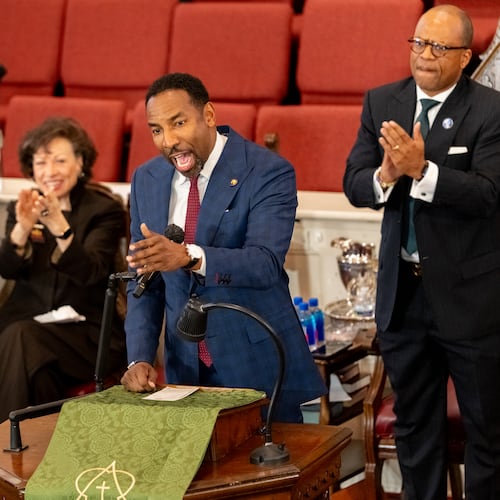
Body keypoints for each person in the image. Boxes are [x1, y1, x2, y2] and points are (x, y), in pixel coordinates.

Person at [344, 5, 500, 499]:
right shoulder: (381, 101)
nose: (424, 56)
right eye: (417, 43)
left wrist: (423, 171)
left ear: (466, 57)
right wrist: (386, 176)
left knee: (487, 435)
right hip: (402, 299)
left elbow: (488, 193)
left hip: (470, 303)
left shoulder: (491, 110)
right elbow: (353, 183)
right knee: (415, 432)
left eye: (438, 47)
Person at [121, 72, 326, 423]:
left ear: (209, 116)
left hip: (258, 366)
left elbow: (264, 263)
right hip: (186, 372)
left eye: (179, 123)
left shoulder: (266, 172)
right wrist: (139, 357)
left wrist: (188, 257)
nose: (169, 140)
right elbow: (144, 281)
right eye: (156, 130)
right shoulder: (146, 179)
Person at [0, 117, 126, 422]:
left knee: (20, 337)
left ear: (80, 162)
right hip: (29, 329)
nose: (49, 171)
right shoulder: (25, 205)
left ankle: (2, 452)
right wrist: (22, 230)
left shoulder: (105, 209)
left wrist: (59, 225)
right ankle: (32, 455)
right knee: (39, 376)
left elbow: (93, 271)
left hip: (86, 334)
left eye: (59, 160)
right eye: (41, 162)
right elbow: (7, 268)